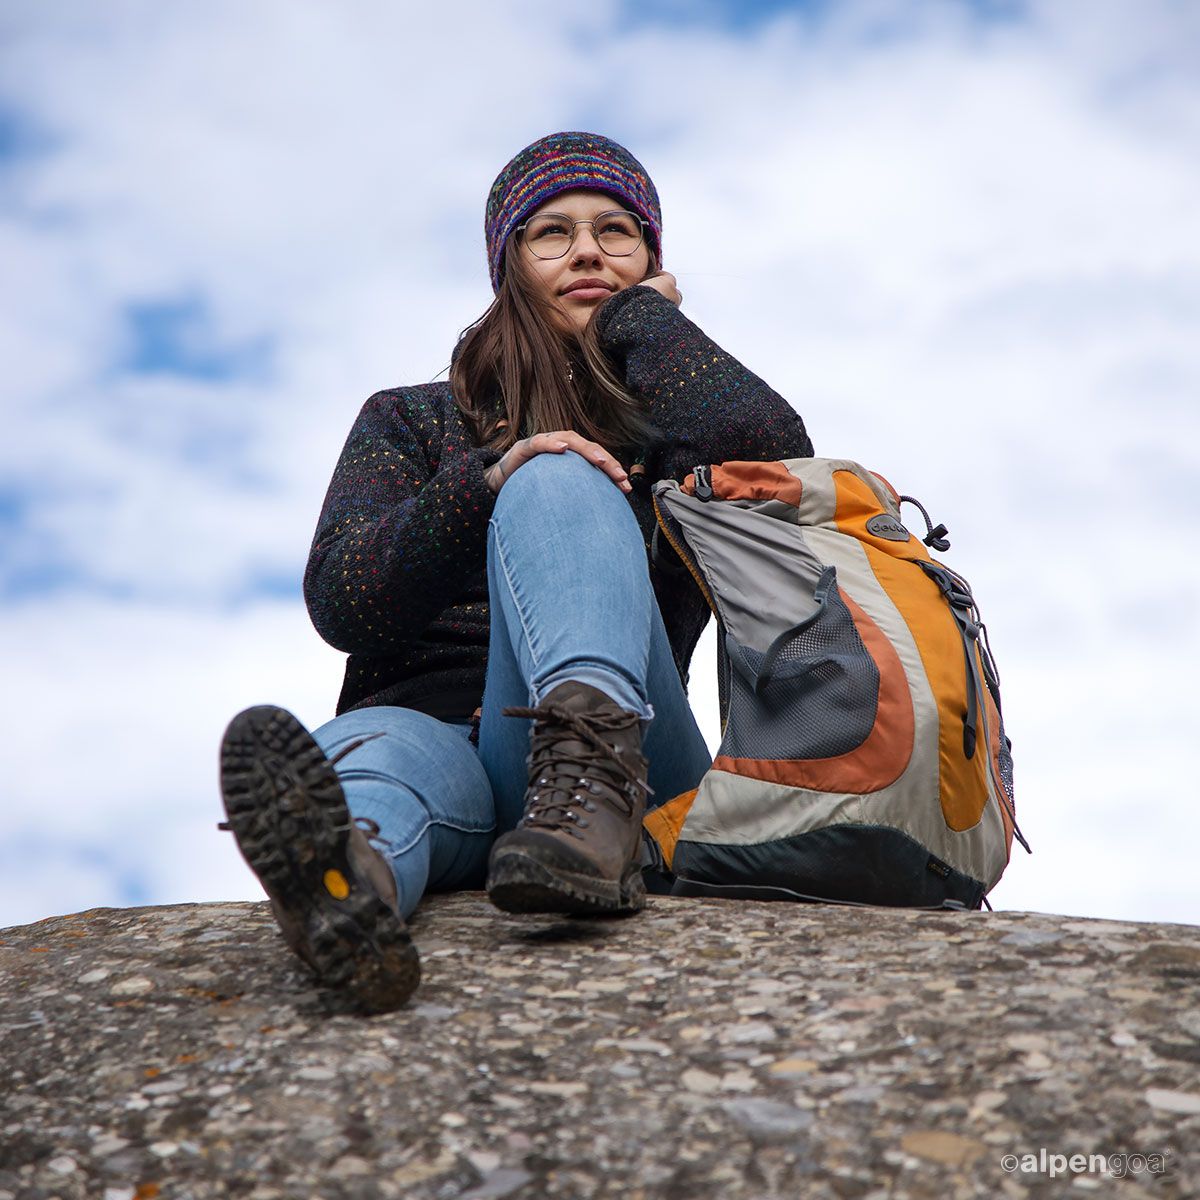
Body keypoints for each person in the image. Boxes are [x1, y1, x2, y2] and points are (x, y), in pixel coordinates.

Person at [219, 131, 815, 1012]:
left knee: (561, 476)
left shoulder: (675, 427)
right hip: (445, 744)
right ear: (509, 266)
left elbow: (778, 467)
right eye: (551, 233)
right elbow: (345, 598)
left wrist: (642, 323)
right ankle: (347, 889)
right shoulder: (412, 422)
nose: (585, 249)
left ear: (653, 261)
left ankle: (591, 792)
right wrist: (486, 479)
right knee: (375, 764)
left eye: (616, 231)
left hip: (637, 762)